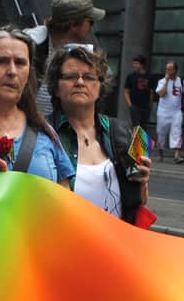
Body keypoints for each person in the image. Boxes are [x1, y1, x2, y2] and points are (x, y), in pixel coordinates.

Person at [46, 43, 148, 221]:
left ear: (100, 86)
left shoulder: (120, 131)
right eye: (70, 77)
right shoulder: (42, 132)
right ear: (56, 87)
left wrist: (142, 185)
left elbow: (138, 203)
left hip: (115, 245)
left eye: (89, 77)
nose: (79, 82)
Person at [0, 24, 74, 186]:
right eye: (1, 61)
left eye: (20, 62)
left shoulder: (46, 132)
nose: (12, 71)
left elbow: (64, 201)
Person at [32, 0, 103, 119]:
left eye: (89, 78)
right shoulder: (30, 47)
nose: (81, 83)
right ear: (73, 24)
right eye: (90, 22)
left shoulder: (86, 52)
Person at [154, 60, 184, 164]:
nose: (167, 71)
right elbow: (162, 94)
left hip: (176, 112)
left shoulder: (182, 82)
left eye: (170, 69)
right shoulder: (161, 81)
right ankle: (161, 153)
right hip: (163, 112)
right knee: (161, 133)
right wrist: (167, 81)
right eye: (166, 69)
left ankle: (176, 156)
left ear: (175, 70)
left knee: (177, 132)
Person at [123, 54, 155, 130]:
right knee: (136, 126)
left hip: (145, 106)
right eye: (134, 63)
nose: (134, 65)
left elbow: (151, 92)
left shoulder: (150, 76)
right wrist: (130, 105)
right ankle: (135, 141)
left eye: (136, 63)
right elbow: (126, 91)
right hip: (134, 105)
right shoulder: (131, 76)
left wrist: (149, 105)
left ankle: (141, 142)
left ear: (142, 64)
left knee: (143, 127)